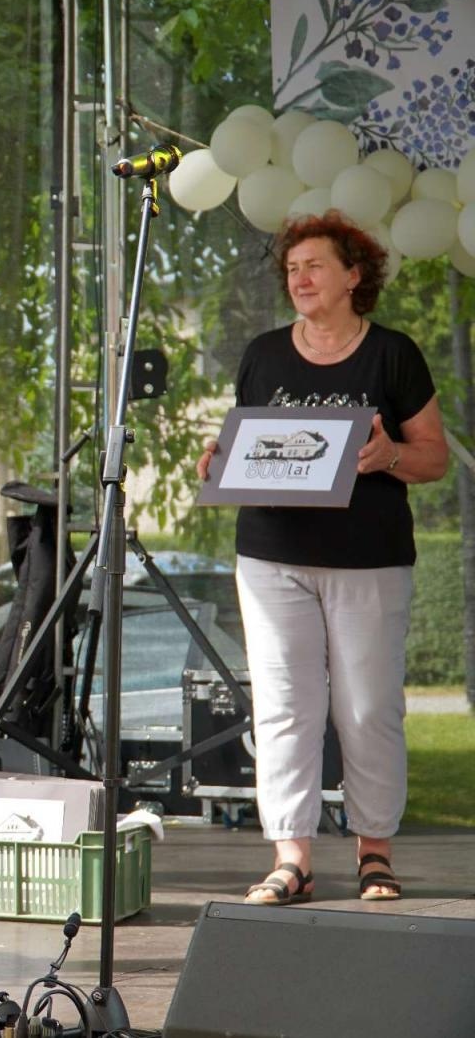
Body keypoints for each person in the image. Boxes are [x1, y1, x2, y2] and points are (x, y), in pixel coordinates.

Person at [195, 211, 447, 905]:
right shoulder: (263, 354)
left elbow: (434, 458)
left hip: (370, 561)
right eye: (292, 269)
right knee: (284, 707)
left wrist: (389, 455)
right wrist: (220, 461)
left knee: (367, 710)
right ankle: (292, 859)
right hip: (271, 558)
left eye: (314, 266)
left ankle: (375, 853)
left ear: (353, 276)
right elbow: (248, 448)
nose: (300, 278)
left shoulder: (393, 354)